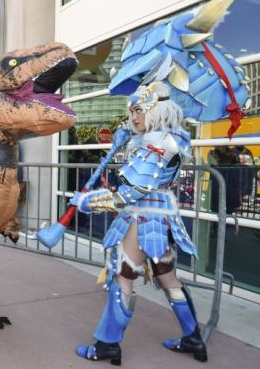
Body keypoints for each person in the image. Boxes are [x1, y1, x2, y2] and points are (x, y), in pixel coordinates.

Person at [70, 83, 208, 364]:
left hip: (144, 216)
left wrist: (87, 202)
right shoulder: (170, 138)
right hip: (163, 214)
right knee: (168, 279)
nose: (133, 118)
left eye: (138, 111)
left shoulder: (157, 143)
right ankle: (193, 337)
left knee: (122, 277)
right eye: (131, 112)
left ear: (156, 110)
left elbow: (130, 191)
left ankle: (108, 344)